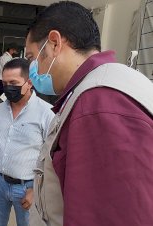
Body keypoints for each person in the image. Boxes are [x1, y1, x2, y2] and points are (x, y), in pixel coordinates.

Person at [24, 2, 153, 226]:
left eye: (31, 58)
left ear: (54, 43)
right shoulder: (99, 89)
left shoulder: (98, 105)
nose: (32, 70)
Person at [0, 58, 54, 226]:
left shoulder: (46, 113)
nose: (8, 87)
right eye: (5, 83)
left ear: (29, 83)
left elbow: (52, 157)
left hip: (27, 187)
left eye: (13, 82)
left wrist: (37, 191)